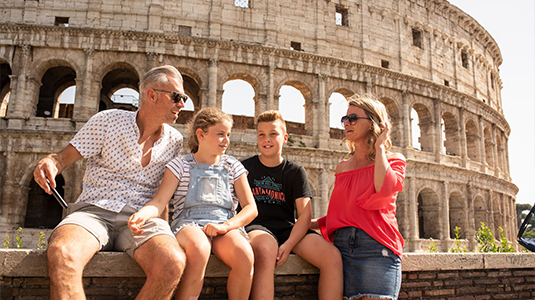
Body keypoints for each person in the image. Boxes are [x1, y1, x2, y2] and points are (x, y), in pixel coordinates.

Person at [33, 65, 188, 300]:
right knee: (62, 253)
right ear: (152, 94)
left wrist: (164, 232)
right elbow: (61, 159)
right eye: (176, 96)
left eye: (184, 97)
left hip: (141, 219)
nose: (182, 104)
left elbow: (162, 196)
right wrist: (49, 163)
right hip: (93, 212)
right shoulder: (107, 121)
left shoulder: (175, 140)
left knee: (173, 263)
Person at [128, 107, 257, 300]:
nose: (226, 140)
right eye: (220, 134)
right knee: (199, 248)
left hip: (224, 224)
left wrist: (225, 227)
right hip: (189, 223)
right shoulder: (180, 165)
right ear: (201, 134)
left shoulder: (233, 166)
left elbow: (250, 208)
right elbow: (159, 201)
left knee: (245, 255)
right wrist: (142, 214)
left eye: (228, 135)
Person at [312, 94, 406, 300]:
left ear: (373, 123)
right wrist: (302, 225)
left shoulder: (394, 160)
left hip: (376, 248)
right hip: (342, 250)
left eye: (353, 118)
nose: (347, 123)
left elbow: (385, 189)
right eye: (345, 119)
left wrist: (379, 148)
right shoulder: (342, 167)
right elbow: (342, 214)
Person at [242, 110, 343, 300]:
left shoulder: (295, 171)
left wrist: (288, 245)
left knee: (332, 256)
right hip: (257, 226)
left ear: (285, 138)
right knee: (265, 252)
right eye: (261, 134)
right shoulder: (245, 168)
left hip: (287, 228)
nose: (267, 139)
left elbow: (304, 215)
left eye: (273, 133)